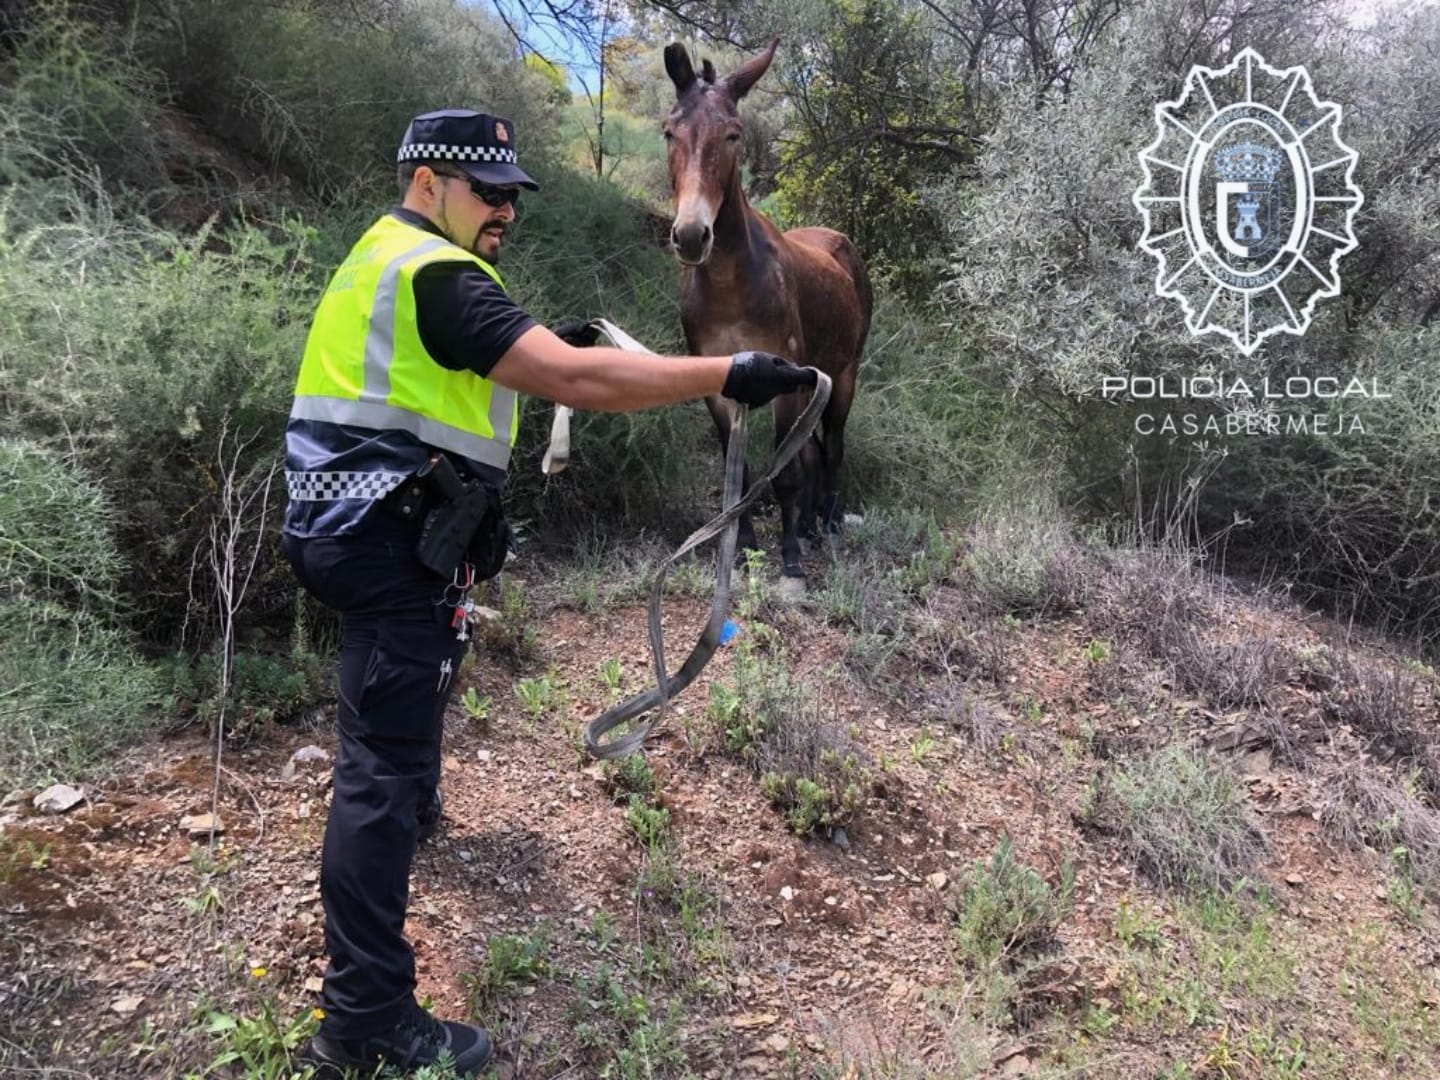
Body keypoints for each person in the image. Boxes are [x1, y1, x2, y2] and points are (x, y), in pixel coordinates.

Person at [282, 108, 813, 1077]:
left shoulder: (383, 256)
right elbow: (575, 378)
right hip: (387, 543)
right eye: (487, 192)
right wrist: (729, 370)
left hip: (349, 527)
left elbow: (464, 373)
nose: (504, 212)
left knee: (395, 739)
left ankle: (419, 811)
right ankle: (362, 1017)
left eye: (513, 196)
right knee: (378, 772)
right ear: (428, 180)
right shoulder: (439, 276)